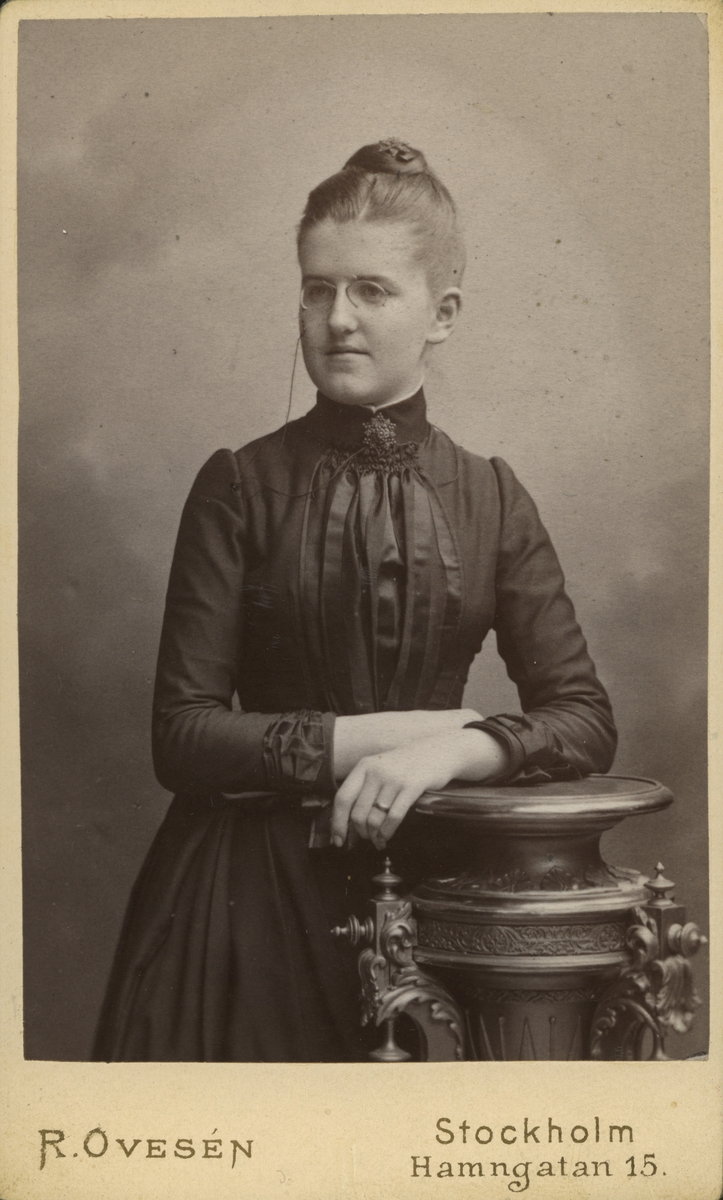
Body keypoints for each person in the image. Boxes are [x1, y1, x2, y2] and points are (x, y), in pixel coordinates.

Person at [92, 139, 616, 1063]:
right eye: (317, 290)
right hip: (245, 907)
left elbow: (582, 717)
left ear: (441, 314)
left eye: (371, 290)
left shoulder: (491, 496)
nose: (337, 319)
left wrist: (453, 750)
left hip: (442, 905)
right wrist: (392, 734)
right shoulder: (239, 485)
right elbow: (183, 735)